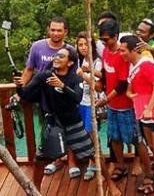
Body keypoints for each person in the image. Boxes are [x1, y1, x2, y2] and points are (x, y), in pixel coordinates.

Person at [14, 47, 94, 189]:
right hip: (53, 124)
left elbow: (77, 98)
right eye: (56, 55)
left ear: (70, 63)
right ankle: (35, 190)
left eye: (61, 56)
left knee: (92, 154)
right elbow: (26, 94)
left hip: (73, 123)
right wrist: (19, 87)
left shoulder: (75, 78)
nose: (56, 58)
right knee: (39, 159)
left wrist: (62, 86)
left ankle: (110, 184)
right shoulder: (44, 76)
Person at [120, 35, 154, 194]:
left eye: (123, 51)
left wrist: (149, 108)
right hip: (144, 115)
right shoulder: (132, 65)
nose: (121, 54)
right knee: (153, 150)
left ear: (133, 50)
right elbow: (131, 86)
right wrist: (129, 94)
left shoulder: (147, 64)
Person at [98, 20, 138, 183]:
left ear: (115, 36)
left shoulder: (122, 55)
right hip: (112, 105)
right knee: (114, 136)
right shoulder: (106, 52)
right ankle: (120, 165)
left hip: (125, 105)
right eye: (101, 40)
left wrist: (105, 99)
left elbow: (122, 84)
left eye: (107, 40)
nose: (104, 43)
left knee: (133, 137)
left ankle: (137, 161)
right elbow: (105, 70)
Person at [75, 32, 103, 181]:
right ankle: (89, 160)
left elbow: (98, 86)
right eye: (80, 45)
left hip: (92, 103)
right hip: (80, 102)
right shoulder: (78, 61)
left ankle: (95, 163)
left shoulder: (97, 62)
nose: (83, 47)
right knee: (84, 134)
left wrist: (84, 74)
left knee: (92, 134)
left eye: (86, 44)